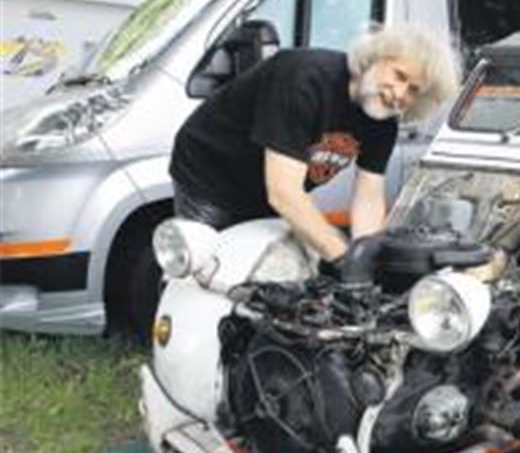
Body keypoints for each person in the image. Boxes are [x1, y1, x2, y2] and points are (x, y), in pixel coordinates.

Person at [169, 24, 459, 275]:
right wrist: (343, 258)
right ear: (376, 57)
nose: (399, 93)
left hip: (263, 191)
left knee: (269, 272)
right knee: (208, 269)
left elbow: (369, 198)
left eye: (413, 90)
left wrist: (365, 259)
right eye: (399, 75)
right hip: (211, 175)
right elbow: (283, 193)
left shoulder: (383, 122)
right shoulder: (304, 79)